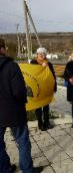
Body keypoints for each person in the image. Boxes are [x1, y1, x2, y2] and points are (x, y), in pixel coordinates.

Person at [0, 38, 43, 173]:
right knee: (23, 141)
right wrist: (24, 101)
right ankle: (27, 169)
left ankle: (4, 169)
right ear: (2, 49)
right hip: (13, 111)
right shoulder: (11, 66)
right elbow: (18, 91)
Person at [30, 47, 57, 131]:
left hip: (46, 88)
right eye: (40, 53)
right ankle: (40, 124)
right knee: (38, 107)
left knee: (46, 106)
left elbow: (53, 76)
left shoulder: (49, 64)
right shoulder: (33, 63)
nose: (41, 55)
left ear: (45, 55)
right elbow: (32, 74)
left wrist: (54, 87)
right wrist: (42, 67)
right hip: (37, 88)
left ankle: (46, 123)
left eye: (43, 54)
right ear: (37, 55)